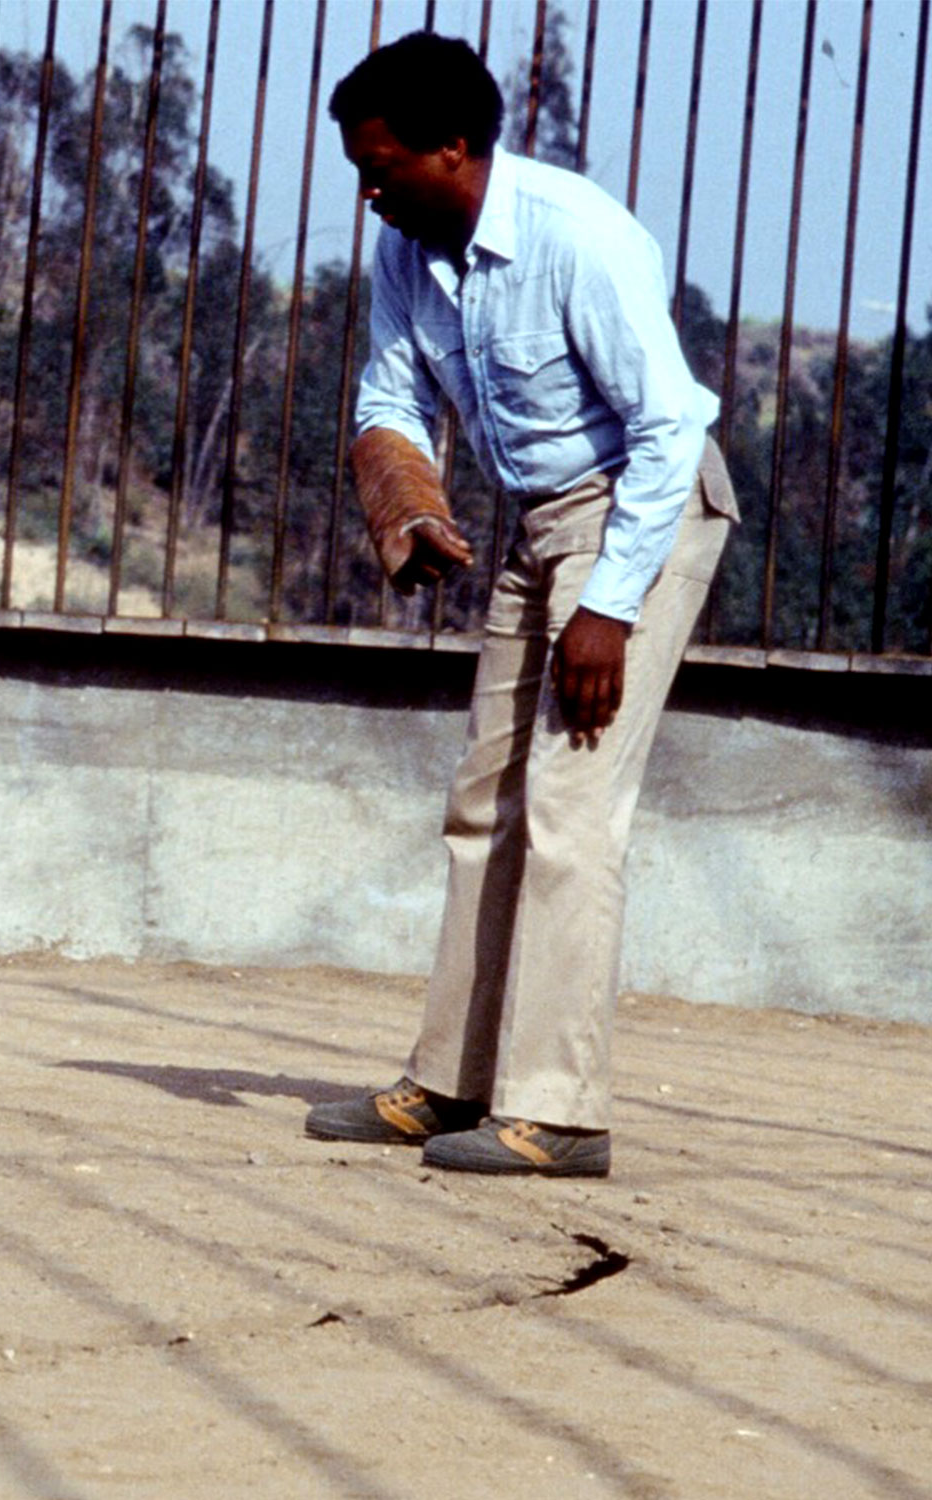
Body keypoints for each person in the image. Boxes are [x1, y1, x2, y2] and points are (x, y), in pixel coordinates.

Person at [303, 31, 738, 1177]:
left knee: (568, 805)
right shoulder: (410, 249)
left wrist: (608, 605)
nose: (368, 192)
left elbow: (665, 427)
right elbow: (387, 399)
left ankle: (559, 1112)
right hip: (538, 522)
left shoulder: (576, 232)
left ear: (456, 147)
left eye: (383, 165)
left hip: (644, 515)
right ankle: (449, 1084)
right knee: (482, 800)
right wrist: (407, 505)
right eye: (359, 168)